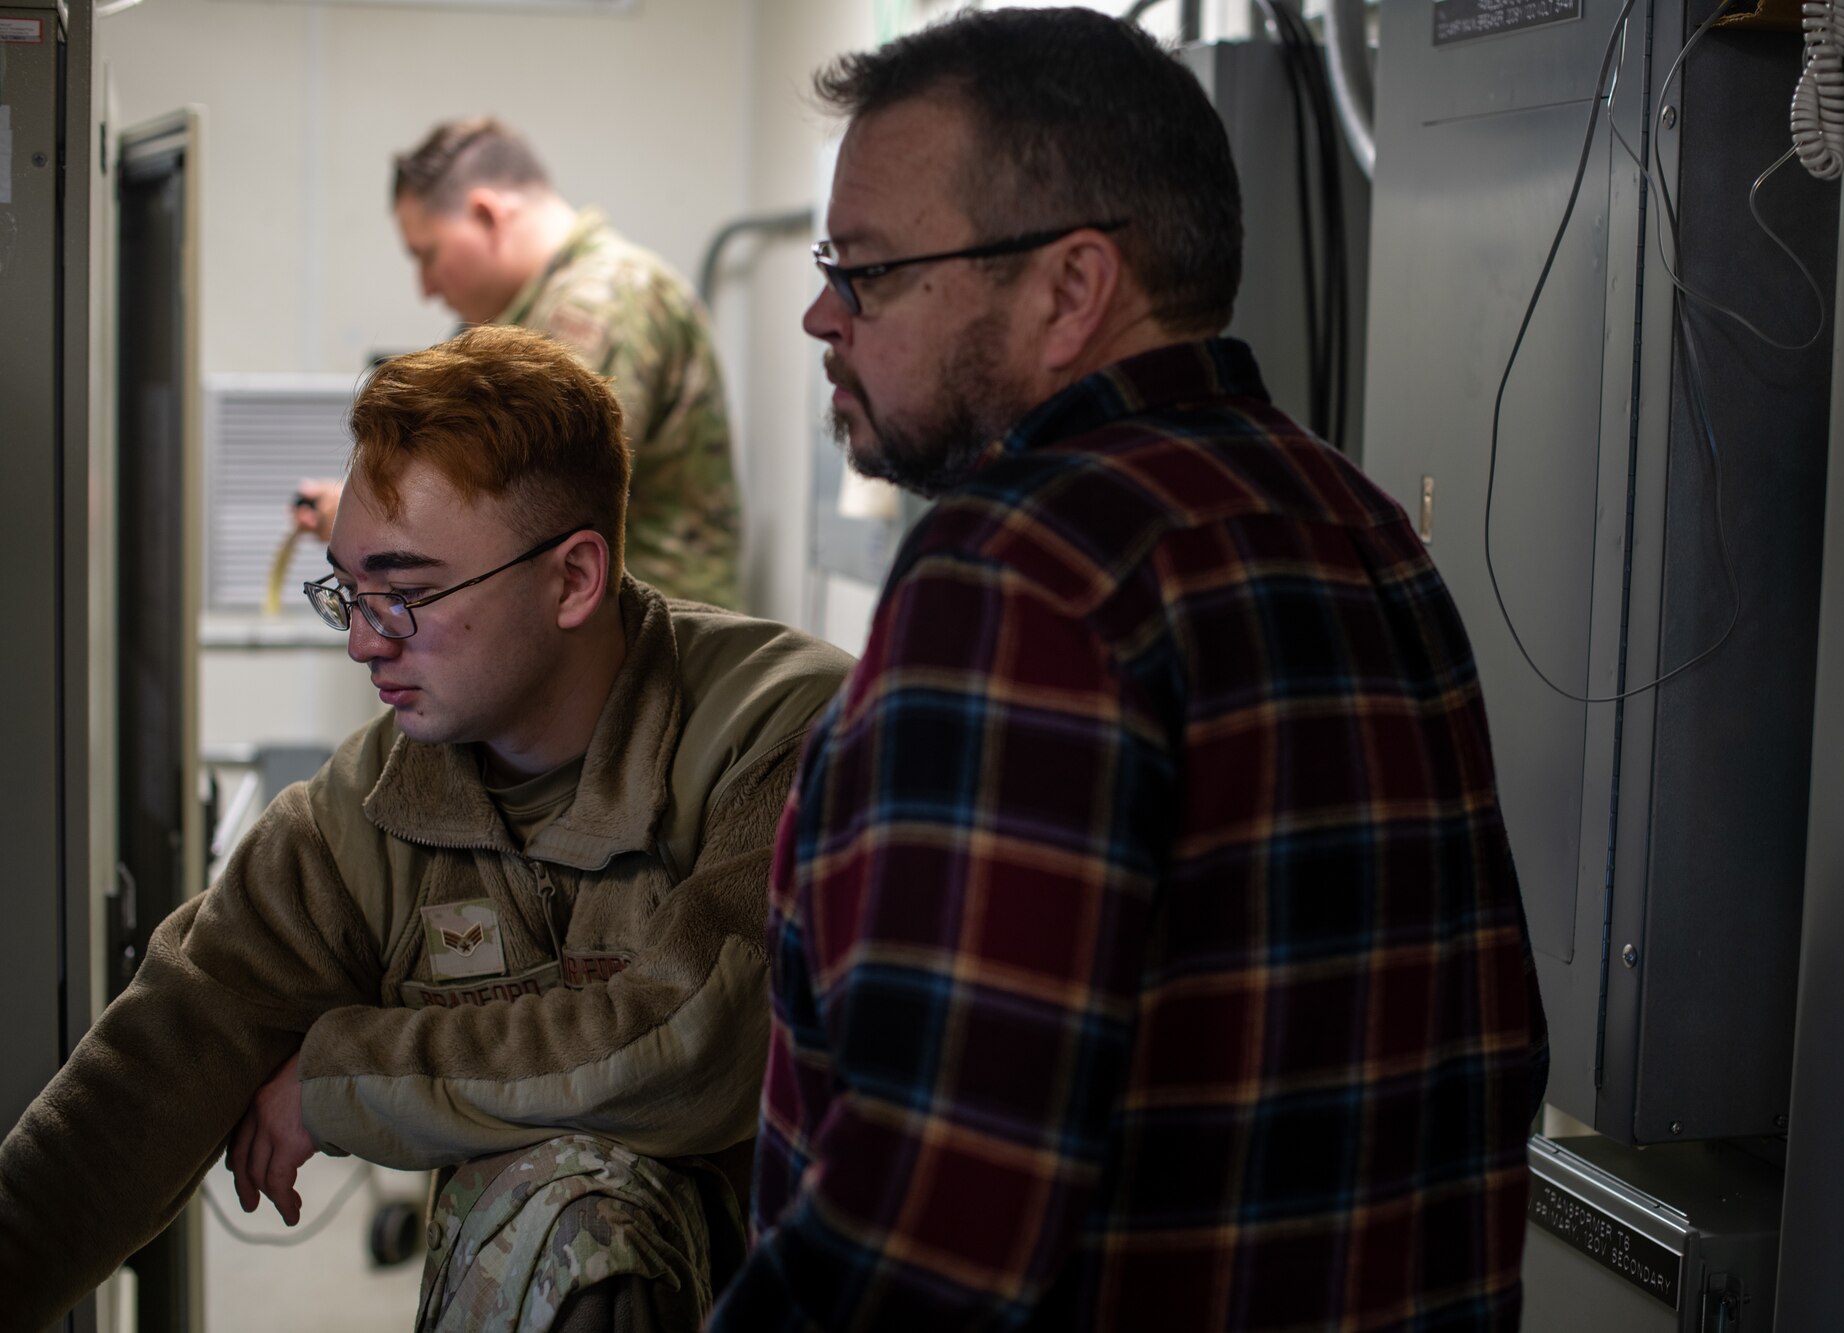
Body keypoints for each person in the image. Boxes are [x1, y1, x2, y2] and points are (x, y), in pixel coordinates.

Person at [708, 9, 1550, 1332]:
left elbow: (930, 1227)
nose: (823, 313)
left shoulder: (1017, 579)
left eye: (865, 270)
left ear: (1070, 288)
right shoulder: (1363, 531)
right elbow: (1469, 1072)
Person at [0, 325, 851, 1331]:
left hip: (799, 1283)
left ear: (575, 578)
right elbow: (149, 1073)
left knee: (580, 1193)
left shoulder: (782, 729)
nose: (363, 640)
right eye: (349, 591)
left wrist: (338, 1077)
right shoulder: (360, 818)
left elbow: (697, 1036)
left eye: (404, 594)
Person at [296, 117, 741, 608]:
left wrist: (368, 513)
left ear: (486, 215)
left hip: (654, 644)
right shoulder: (544, 308)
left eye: (428, 254)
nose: (426, 287)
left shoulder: (602, 302)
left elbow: (525, 495)